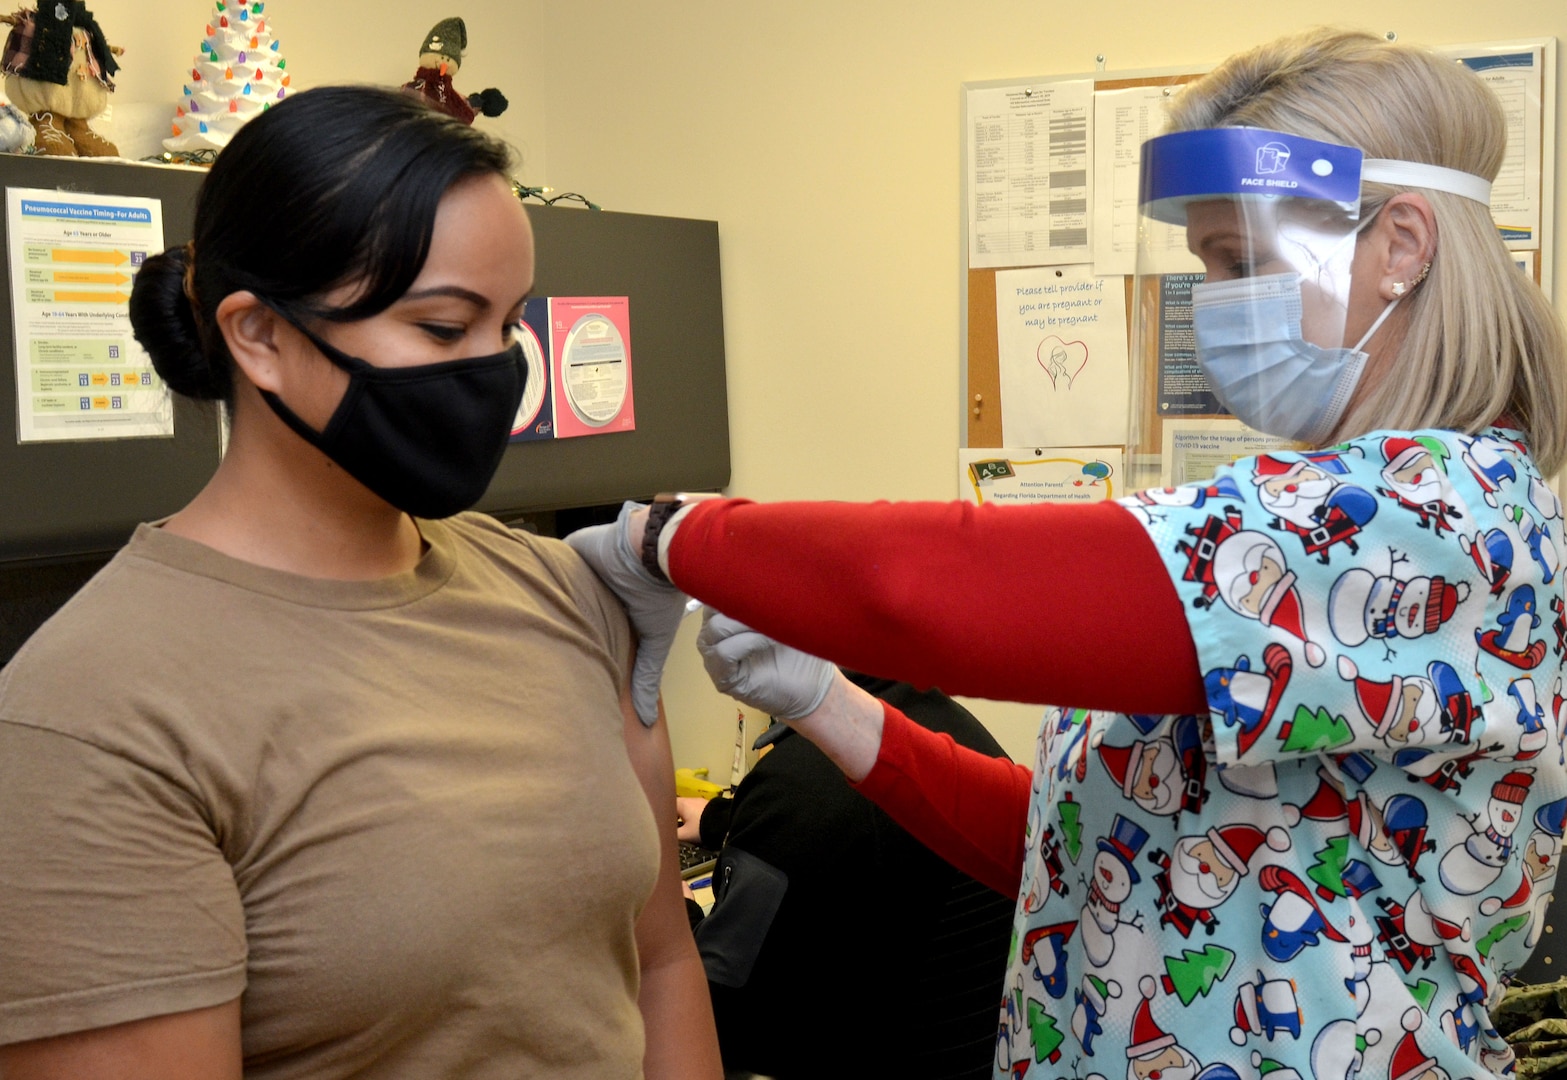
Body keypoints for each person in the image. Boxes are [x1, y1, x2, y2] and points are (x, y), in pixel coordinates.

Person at [568, 29, 1567, 1080]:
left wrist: (673, 537)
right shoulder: (1300, 511)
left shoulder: (1433, 521)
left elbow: (930, 587)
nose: (1213, 301)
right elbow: (1089, 858)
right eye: (1206, 266)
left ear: (1401, 243)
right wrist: (828, 704)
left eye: (1242, 263)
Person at [0, 87, 720, 1080]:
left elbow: (660, 964)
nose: (492, 375)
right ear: (257, 336)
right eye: (440, 327)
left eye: (507, 327)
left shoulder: (565, 593)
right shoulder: (93, 716)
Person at [680, 672, 1015, 1079]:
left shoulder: (799, 787)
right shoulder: (956, 729)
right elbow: (865, 818)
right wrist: (728, 818)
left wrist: (677, 910)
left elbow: (719, 1017)